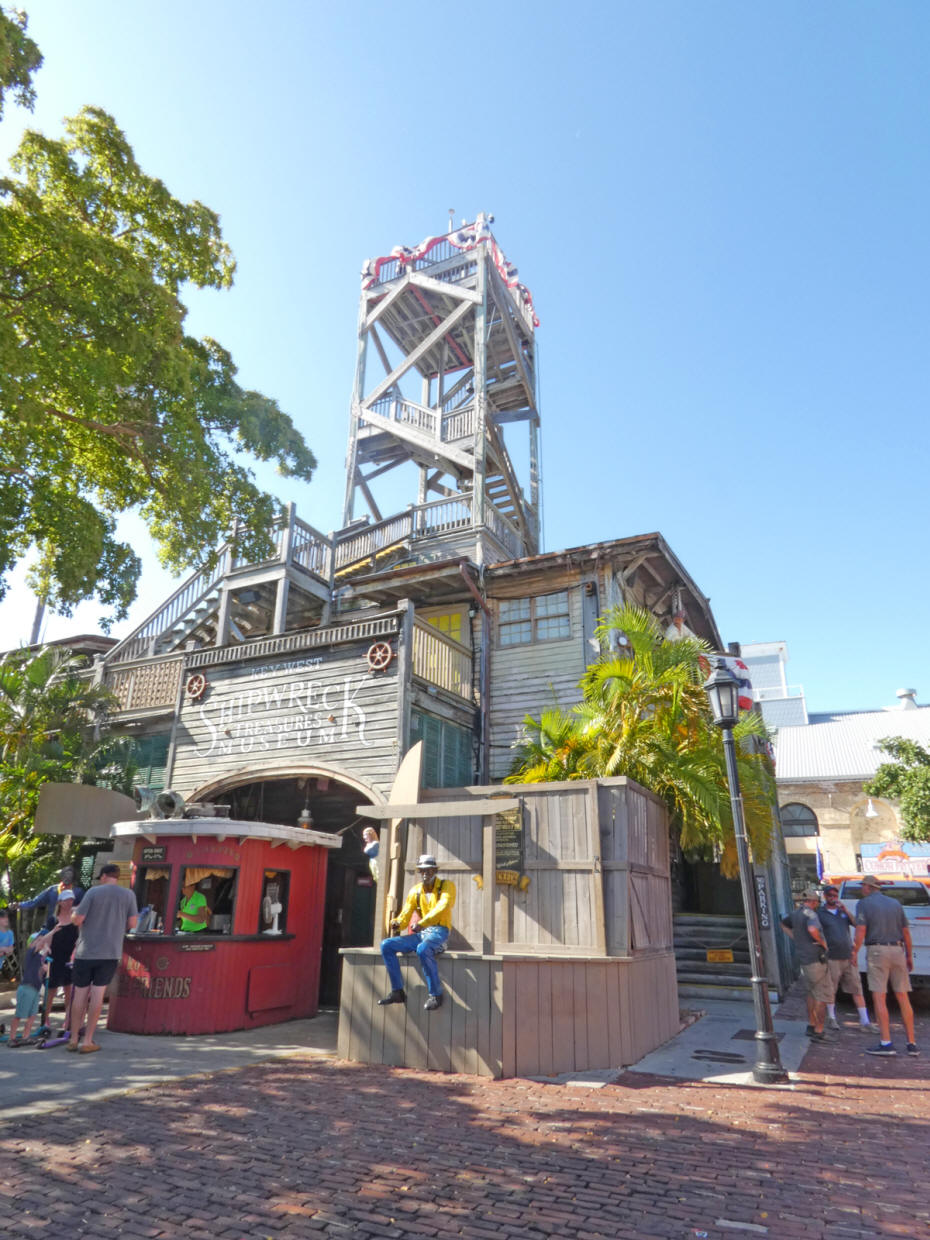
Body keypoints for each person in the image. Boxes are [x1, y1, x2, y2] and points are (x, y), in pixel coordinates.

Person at [68, 863, 138, 1054]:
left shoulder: (93, 892)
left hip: (86, 950)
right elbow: (133, 923)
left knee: (80, 994)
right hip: (110, 952)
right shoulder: (128, 895)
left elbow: (78, 919)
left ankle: (74, 1038)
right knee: (98, 995)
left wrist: (74, 914)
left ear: (104, 876)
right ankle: (88, 1040)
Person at [851, 874, 918, 1057]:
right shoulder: (895, 904)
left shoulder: (863, 904)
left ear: (868, 887)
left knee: (879, 997)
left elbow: (861, 930)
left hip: (877, 951)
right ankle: (911, 1042)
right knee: (903, 996)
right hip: (898, 950)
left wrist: (855, 951)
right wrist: (909, 955)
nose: (862, 889)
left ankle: (886, 1042)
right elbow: (906, 931)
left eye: (863, 885)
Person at [378, 854, 455, 1012]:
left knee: (422, 949)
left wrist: (422, 923)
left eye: (429, 870)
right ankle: (397, 991)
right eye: (422, 871)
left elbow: (443, 906)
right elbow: (406, 914)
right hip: (423, 932)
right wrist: (398, 922)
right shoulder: (415, 891)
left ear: (435, 870)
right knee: (386, 945)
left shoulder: (446, 886)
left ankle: (435, 994)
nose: (425, 874)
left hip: (439, 930)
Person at [816, 884, 877, 1033]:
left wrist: (845, 910)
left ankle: (865, 1020)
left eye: (835, 896)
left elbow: (857, 924)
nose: (832, 898)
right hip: (832, 956)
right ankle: (832, 1018)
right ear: (825, 896)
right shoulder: (820, 913)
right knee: (831, 989)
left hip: (848, 955)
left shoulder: (842, 912)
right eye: (830, 895)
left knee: (856, 988)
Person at [780, 887, 832, 1041]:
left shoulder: (796, 914)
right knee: (821, 995)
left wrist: (796, 938)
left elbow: (783, 924)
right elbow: (812, 929)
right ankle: (819, 1030)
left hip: (804, 959)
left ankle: (811, 1023)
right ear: (814, 902)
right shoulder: (811, 914)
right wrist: (822, 943)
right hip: (815, 959)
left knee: (810, 993)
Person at [34, 890, 79, 1033]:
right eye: (66, 900)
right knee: (51, 990)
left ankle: (68, 1019)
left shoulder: (75, 918)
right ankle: (45, 1019)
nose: (69, 902)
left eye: (71, 899)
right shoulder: (53, 919)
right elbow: (44, 939)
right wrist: (46, 951)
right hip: (55, 956)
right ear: (60, 902)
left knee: (69, 989)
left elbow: (80, 936)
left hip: (69, 957)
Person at [11, 865, 85, 932]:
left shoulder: (78, 892)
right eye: (65, 875)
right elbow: (35, 902)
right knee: (35, 944)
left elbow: (83, 909)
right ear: (61, 876)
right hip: (51, 925)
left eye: (70, 875)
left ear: (73, 878)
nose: (67, 877)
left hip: (69, 926)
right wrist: (19, 905)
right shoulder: (52, 890)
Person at [8, 935, 47, 1046]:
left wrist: (45, 970)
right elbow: (40, 945)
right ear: (31, 944)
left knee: (33, 1015)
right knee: (19, 1014)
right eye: (38, 940)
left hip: (35, 990)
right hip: (27, 988)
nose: (41, 942)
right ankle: (12, 1038)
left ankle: (26, 1036)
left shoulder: (41, 958)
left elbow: (41, 977)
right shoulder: (31, 953)